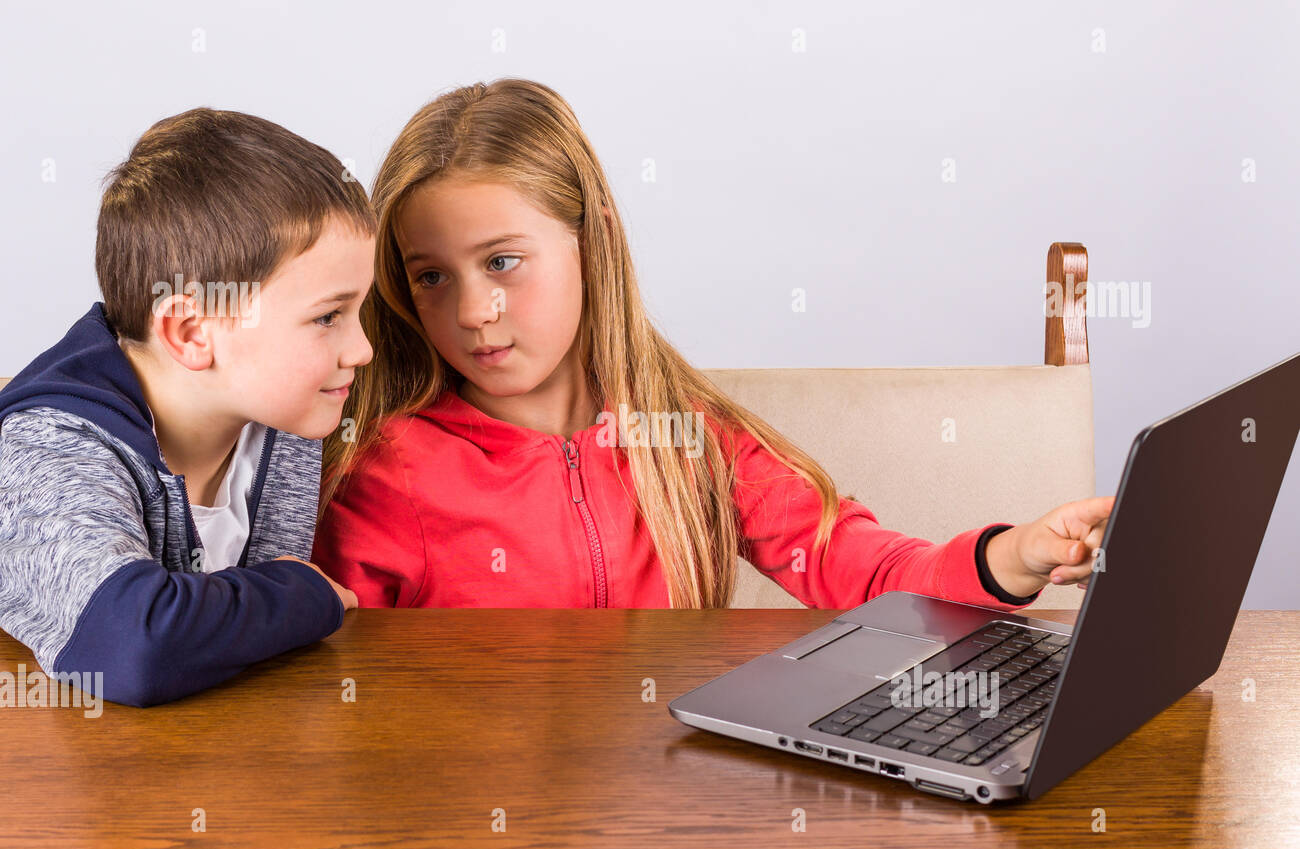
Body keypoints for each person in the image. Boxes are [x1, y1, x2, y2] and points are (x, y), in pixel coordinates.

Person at [313, 79, 1112, 610]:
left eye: (503, 262)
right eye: (431, 277)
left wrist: (1010, 557)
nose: (475, 311)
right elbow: (344, 685)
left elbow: (855, 565)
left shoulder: (685, 436)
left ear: (592, 244)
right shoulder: (385, 471)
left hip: (670, 808)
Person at [0, 108, 373, 706]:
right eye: (328, 317)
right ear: (192, 334)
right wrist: (305, 594)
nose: (362, 348)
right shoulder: (48, 447)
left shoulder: (280, 414)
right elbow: (133, 646)